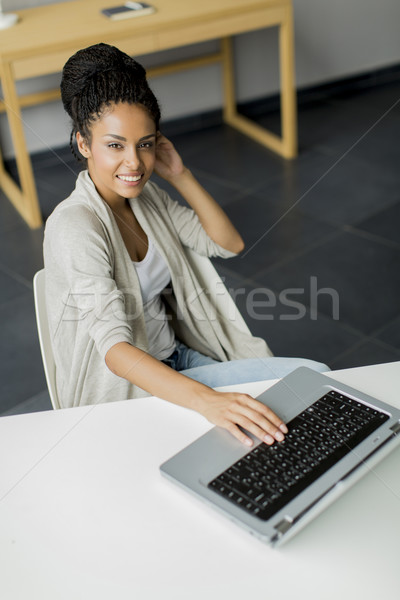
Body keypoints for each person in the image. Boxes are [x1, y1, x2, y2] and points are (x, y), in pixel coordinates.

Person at [44, 43, 329, 447]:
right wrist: (208, 401)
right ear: (83, 144)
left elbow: (227, 242)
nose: (135, 163)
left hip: (176, 359)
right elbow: (116, 351)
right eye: (114, 145)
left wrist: (179, 174)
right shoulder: (74, 226)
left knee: (312, 383)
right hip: (126, 390)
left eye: (144, 143)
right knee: (297, 397)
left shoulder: (147, 199)